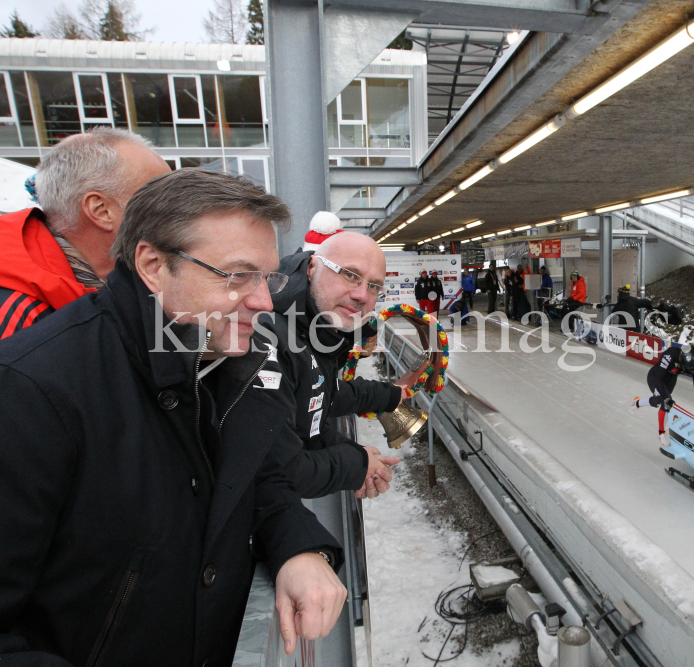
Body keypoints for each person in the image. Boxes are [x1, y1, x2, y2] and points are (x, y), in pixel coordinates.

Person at [0, 170, 346, 665]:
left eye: (268, 278)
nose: (264, 302)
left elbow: (254, 476)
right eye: (237, 275)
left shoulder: (226, 358)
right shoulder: (30, 391)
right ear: (154, 266)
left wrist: (299, 546)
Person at [262, 231, 410, 500]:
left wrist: (358, 455)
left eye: (374, 286)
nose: (362, 294)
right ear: (312, 267)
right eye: (350, 274)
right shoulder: (270, 338)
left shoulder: (317, 331)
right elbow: (271, 472)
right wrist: (355, 464)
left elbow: (313, 406)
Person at [0, 127, 170, 339]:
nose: (180, 212)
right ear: (101, 210)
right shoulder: (18, 320)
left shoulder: (123, 278)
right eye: (161, 200)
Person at [630, 343, 694, 446]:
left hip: (671, 378)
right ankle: (661, 433)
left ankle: (637, 403)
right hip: (656, 376)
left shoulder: (692, 361)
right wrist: (666, 398)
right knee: (664, 402)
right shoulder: (670, 355)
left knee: (659, 402)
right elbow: (658, 379)